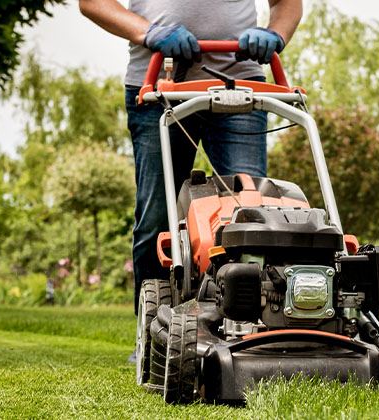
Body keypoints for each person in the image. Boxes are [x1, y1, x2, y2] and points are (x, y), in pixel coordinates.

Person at [79, 0, 303, 309]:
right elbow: (92, 3)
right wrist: (149, 32)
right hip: (159, 82)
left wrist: (275, 34)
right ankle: (154, 329)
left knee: (252, 213)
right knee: (158, 218)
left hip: (240, 85)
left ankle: (251, 323)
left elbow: (287, 4)